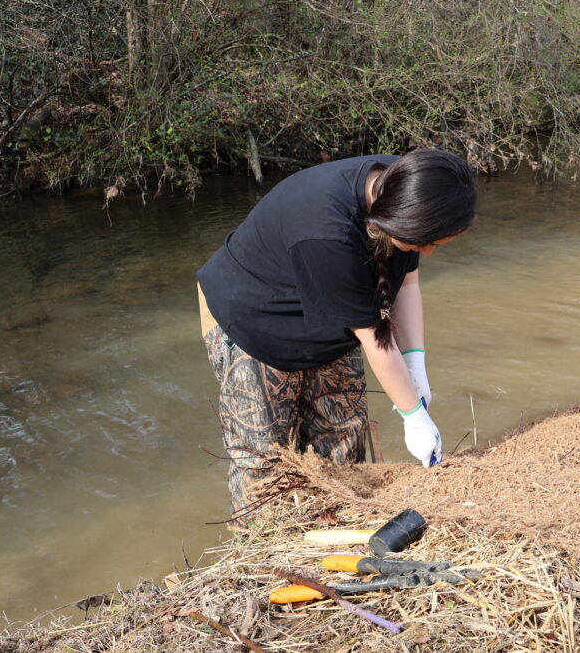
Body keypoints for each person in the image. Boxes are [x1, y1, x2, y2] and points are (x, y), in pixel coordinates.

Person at [196, 149, 476, 518]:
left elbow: (406, 283)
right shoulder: (327, 229)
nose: (427, 251)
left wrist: (415, 363)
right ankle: (262, 543)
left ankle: (337, 527)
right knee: (264, 459)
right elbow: (372, 332)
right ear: (400, 217)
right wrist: (413, 416)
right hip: (255, 317)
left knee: (344, 443)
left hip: (329, 314)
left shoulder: (408, 187)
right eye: (427, 242)